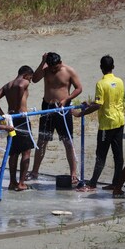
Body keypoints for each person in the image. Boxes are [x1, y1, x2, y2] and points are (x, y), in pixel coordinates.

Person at [27, 52, 83, 186]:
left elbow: (79, 88)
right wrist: (42, 62)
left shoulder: (69, 71)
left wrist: (67, 99)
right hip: (47, 107)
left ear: (60, 62)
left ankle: (73, 173)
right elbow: (34, 79)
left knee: (67, 142)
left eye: (56, 68)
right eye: (51, 67)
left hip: (63, 109)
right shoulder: (45, 70)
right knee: (42, 141)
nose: (54, 70)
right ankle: (35, 171)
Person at [72, 55, 124, 192]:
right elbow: (108, 101)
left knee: (101, 154)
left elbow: (99, 105)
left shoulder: (101, 84)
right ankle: (116, 183)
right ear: (113, 67)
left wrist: (80, 114)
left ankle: (93, 183)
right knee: (118, 155)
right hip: (120, 121)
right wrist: (90, 104)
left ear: (101, 67)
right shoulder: (119, 81)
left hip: (107, 124)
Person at [0, 65, 34, 191]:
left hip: (11, 119)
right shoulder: (23, 82)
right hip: (21, 119)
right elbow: (21, 86)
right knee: (26, 151)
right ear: (26, 75)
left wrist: (3, 113)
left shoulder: (8, 85)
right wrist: (17, 104)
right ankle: (21, 183)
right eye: (30, 78)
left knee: (13, 151)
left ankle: (12, 182)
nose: (29, 82)